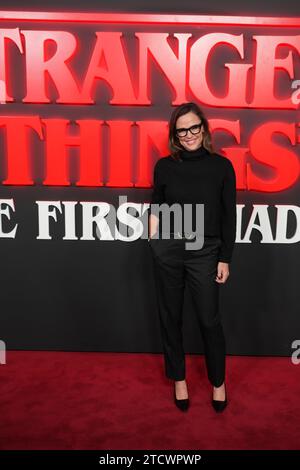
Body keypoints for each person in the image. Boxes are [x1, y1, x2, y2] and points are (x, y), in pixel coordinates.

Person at [147, 102, 236, 412]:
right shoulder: (165, 166)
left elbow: (228, 217)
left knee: (209, 320)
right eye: (181, 129)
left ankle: (218, 381)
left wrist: (225, 258)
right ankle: (179, 379)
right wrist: (155, 243)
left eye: (194, 127)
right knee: (170, 317)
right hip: (169, 250)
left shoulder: (222, 167)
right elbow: (156, 206)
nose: (188, 134)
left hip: (206, 251)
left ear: (204, 129)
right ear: (175, 134)